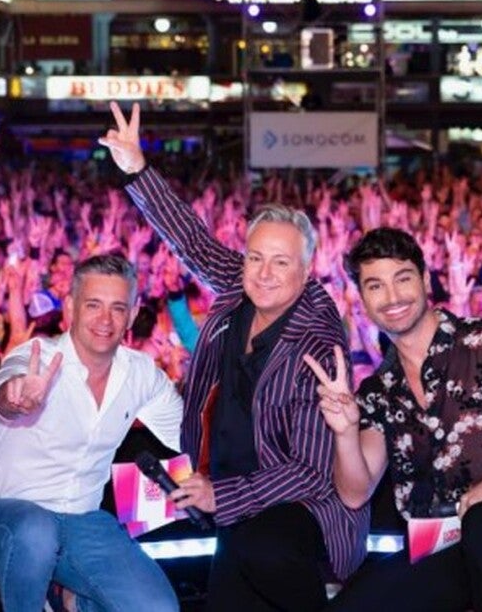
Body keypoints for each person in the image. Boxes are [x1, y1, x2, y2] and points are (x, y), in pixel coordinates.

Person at [101, 102, 366, 611]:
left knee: (261, 549)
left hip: (296, 507)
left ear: (307, 270)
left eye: (281, 262)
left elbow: (311, 471)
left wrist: (224, 497)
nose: (264, 273)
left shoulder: (317, 343)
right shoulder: (239, 292)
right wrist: (137, 168)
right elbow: (193, 242)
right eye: (255, 257)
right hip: (225, 495)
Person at [309, 227, 482, 612]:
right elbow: (355, 492)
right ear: (362, 300)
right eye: (375, 286)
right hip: (442, 549)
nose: (392, 297)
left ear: (426, 281)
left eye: (403, 279)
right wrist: (344, 432)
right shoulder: (379, 390)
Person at [0, 253, 184, 612]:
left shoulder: (141, 373)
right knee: (36, 531)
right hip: (1, 523)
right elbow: (5, 392)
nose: (105, 319)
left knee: (157, 607)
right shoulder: (37, 356)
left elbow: (192, 438)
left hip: (81, 525)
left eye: (117, 307)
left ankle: (73, 598)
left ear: (132, 311)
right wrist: (17, 396)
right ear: (71, 306)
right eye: (93, 305)